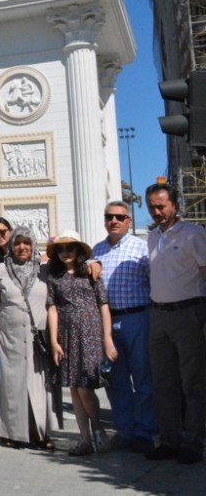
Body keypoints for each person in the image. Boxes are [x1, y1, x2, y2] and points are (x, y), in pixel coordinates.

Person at [144, 182, 206, 464]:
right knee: (163, 381)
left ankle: (193, 441)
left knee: (193, 382)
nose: (156, 212)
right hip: (158, 316)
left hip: (188, 313)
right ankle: (169, 439)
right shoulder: (152, 236)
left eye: (161, 206)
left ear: (175, 206)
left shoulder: (194, 234)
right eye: (152, 207)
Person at [91, 201, 155, 453]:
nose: (114, 221)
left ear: (129, 221)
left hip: (137, 318)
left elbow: (154, 282)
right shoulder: (97, 250)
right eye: (110, 217)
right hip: (107, 322)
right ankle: (124, 430)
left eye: (120, 217)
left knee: (142, 378)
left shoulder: (142, 248)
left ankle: (145, 431)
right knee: (116, 380)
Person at [0, 227, 57, 449]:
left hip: (37, 341)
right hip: (8, 340)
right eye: (17, 243)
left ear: (33, 244)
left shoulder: (44, 270)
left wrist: (94, 264)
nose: (22, 247)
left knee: (38, 388)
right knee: (9, 387)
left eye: (26, 243)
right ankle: (10, 432)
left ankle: (40, 433)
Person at [46, 230, 116, 456]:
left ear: (78, 250)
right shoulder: (54, 277)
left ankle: (98, 429)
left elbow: (103, 304)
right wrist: (54, 340)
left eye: (70, 248)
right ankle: (84, 439)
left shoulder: (90, 272)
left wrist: (107, 338)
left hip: (90, 334)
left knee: (85, 386)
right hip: (67, 335)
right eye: (61, 248)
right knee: (74, 388)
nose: (65, 252)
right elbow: (52, 308)